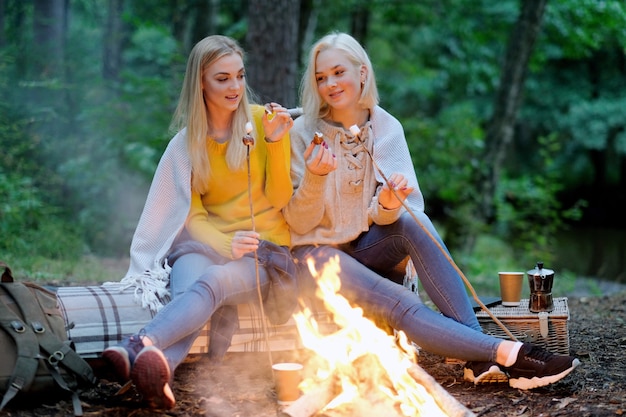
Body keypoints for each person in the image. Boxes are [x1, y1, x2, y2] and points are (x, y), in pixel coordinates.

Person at [283, 32, 580, 390]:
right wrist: (315, 178)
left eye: (337, 72)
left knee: (415, 221)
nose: (329, 84)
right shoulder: (302, 132)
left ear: (362, 72)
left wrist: (390, 204)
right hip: (317, 258)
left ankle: (477, 355)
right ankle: (508, 354)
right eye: (320, 77)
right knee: (401, 302)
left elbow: (401, 213)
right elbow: (298, 222)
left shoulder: (386, 128)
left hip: (365, 247)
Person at [102, 35, 296, 409]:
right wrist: (224, 244)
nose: (235, 87)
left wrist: (275, 142)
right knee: (188, 284)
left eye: (239, 76)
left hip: (265, 251)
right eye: (222, 78)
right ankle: (161, 375)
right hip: (209, 245)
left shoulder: (263, 123)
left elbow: (280, 199)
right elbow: (194, 216)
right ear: (201, 83)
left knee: (212, 282)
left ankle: (136, 346)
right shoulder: (187, 144)